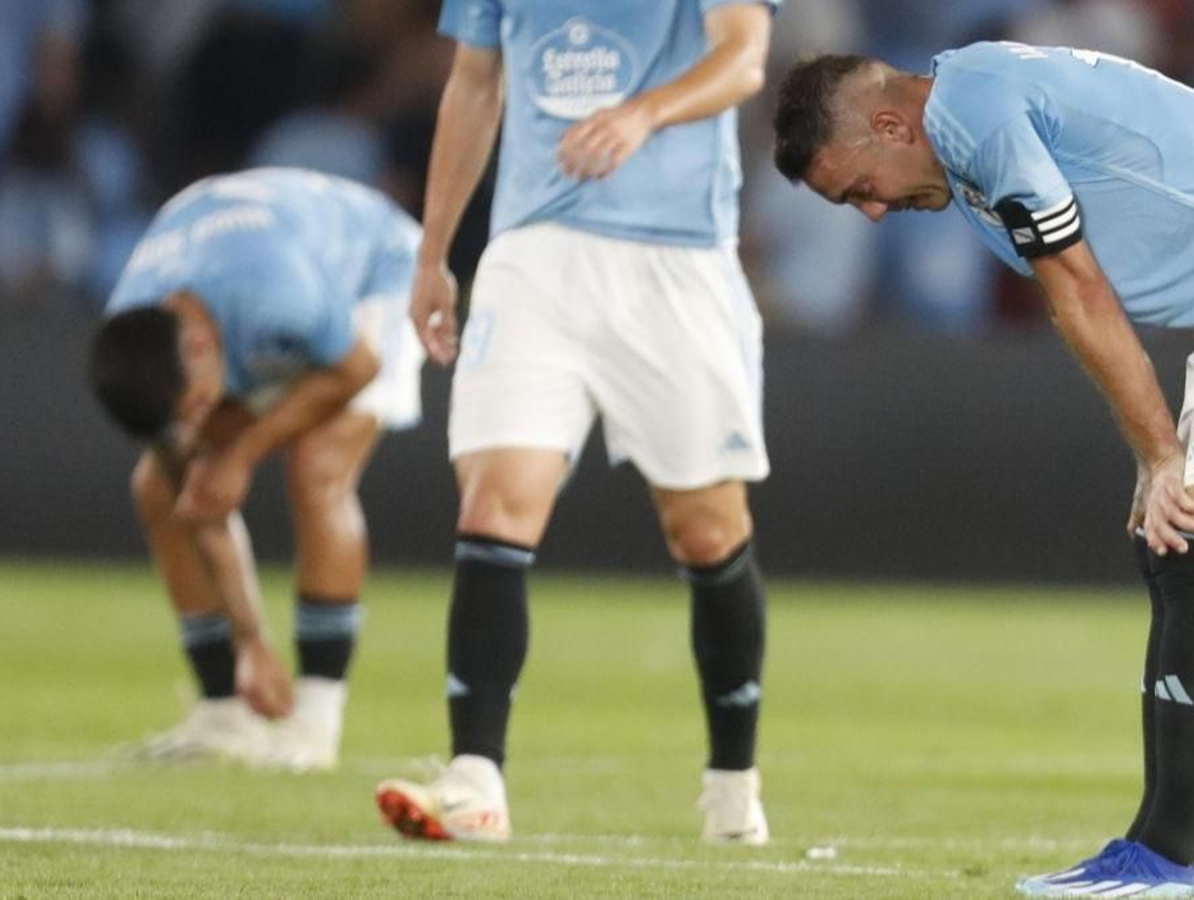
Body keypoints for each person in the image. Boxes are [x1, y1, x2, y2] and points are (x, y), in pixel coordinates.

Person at [772, 43, 1194, 897]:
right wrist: (1154, 455)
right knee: (1174, 542)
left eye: (859, 190)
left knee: (1193, 541)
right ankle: (1156, 853)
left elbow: (1078, 287)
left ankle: (1167, 863)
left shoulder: (973, 114)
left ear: (889, 125)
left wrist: (1161, 455)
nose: (875, 214)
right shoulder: (968, 110)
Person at [372, 0, 779, 845]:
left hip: (676, 258)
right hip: (534, 254)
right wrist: (433, 252)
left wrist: (644, 112)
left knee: (707, 530)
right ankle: (475, 780)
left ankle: (732, 782)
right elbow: (475, 82)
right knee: (495, 502)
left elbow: (744, 58)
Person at [89, 167, 426, 771]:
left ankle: (315, 722)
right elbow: (202, 503)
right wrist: (252, 642)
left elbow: (356, 369)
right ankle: (224, 715)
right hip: (260, 290)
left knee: (317, 469)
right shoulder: (136, 332)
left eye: (198, 405)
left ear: (199, 347)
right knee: (159, 488)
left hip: (372, 273)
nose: (197, 422)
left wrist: (240, 455)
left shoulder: (277, 291)